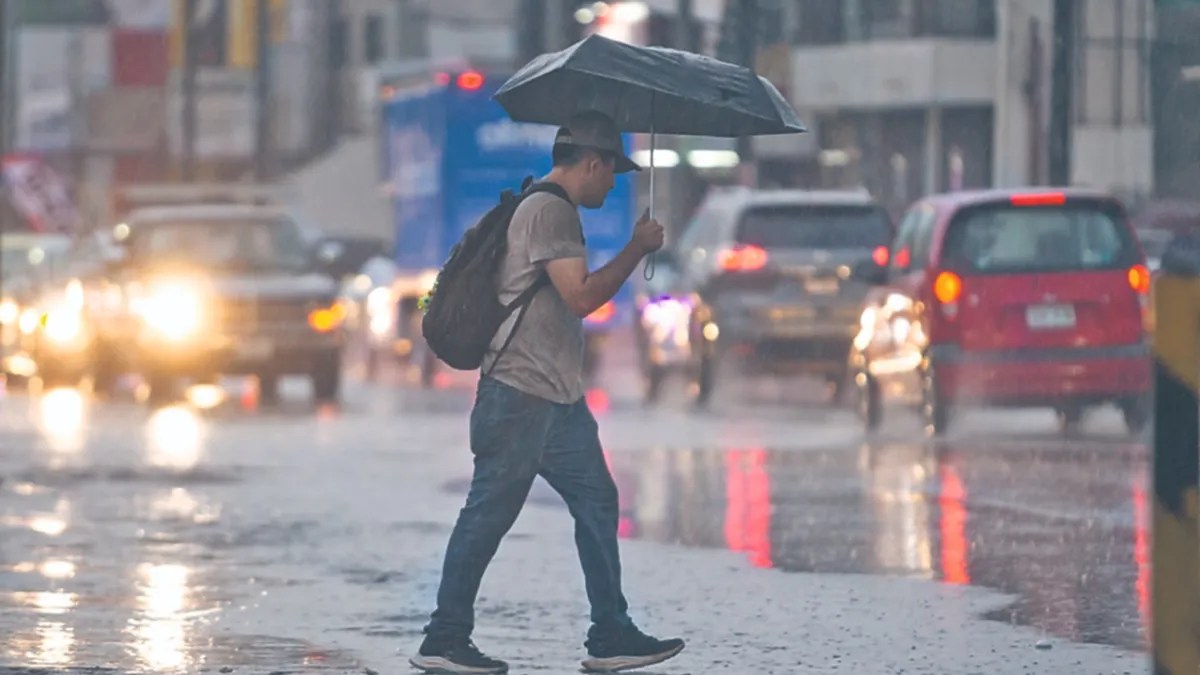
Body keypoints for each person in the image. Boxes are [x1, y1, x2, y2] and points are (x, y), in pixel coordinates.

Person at [410, 111, 685, 675]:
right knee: (488, 514)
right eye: (611, 173)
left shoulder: (545, 207)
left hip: (556, 399)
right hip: (520, 395)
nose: (613, 184)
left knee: (597, 501)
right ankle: (443, 638)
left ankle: (610, 635)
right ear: (591, 163)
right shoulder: (550, 212)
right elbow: (581, 297)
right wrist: (636, 249)